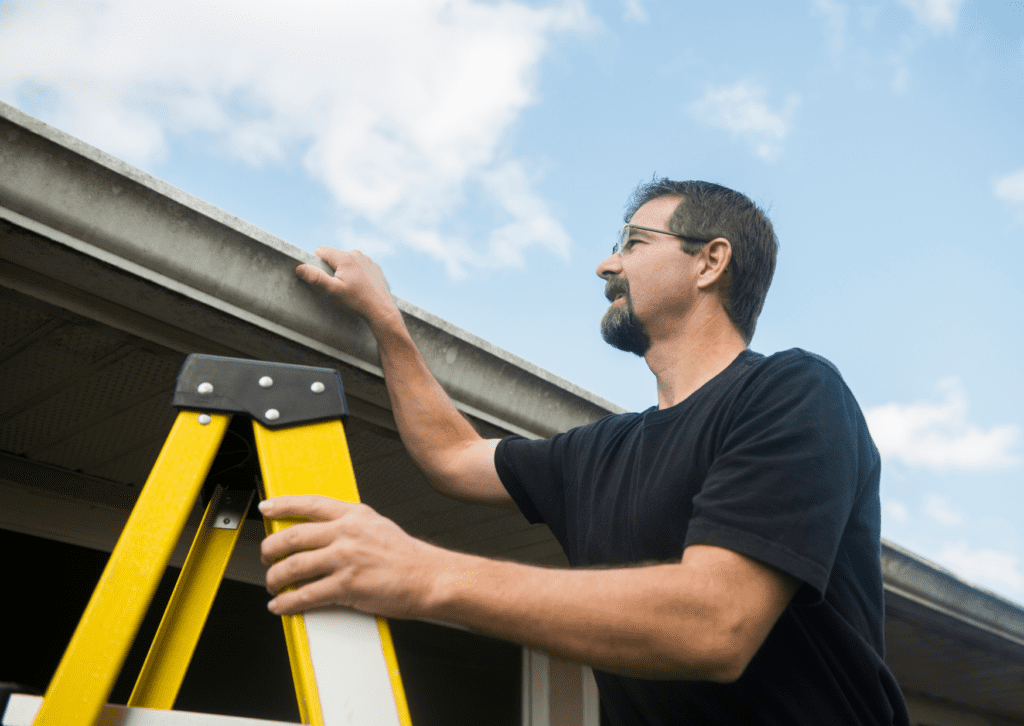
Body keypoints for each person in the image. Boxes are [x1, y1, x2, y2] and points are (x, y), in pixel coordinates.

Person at [259, 179, 911, 725]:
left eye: (632, 242)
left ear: (710, 261)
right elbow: (454, 457)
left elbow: (717, 622)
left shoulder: (792, 392)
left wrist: (425, 573)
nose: (607, 265)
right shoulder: (599, 451)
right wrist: (386, 322)